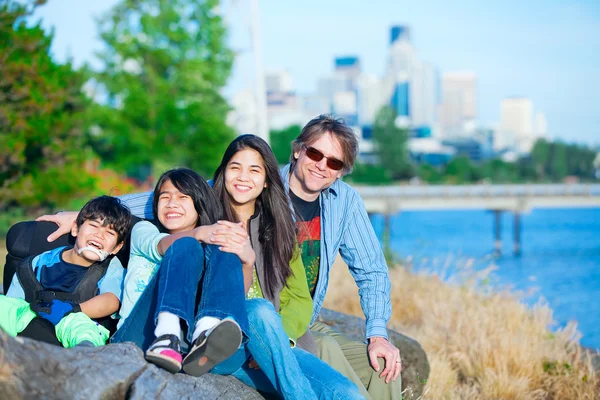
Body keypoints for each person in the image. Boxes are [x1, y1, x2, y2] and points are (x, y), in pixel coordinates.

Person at [283, 115, 403, 400]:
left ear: (341, 171)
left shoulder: (345, 201)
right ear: (298, 150)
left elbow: (372, 271)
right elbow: (183, 195)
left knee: (382, 366)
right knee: (324, 348)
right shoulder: (259, 185)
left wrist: (377, 335)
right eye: (315, 153)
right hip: (275, 323)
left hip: (309, 320)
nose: (322, 165)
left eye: (334, 162)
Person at [0, 196, 131, 348]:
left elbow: (111, 301)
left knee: (82, 325)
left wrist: (73, 310)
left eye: (109, 233)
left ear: (116, 247)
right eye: (94, 226)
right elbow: (14, 303)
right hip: (30, 317)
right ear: (75, 228)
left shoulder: (111, 268)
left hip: (75, 321)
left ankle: (84, 352)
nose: (99, 235)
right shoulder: (38, 262)